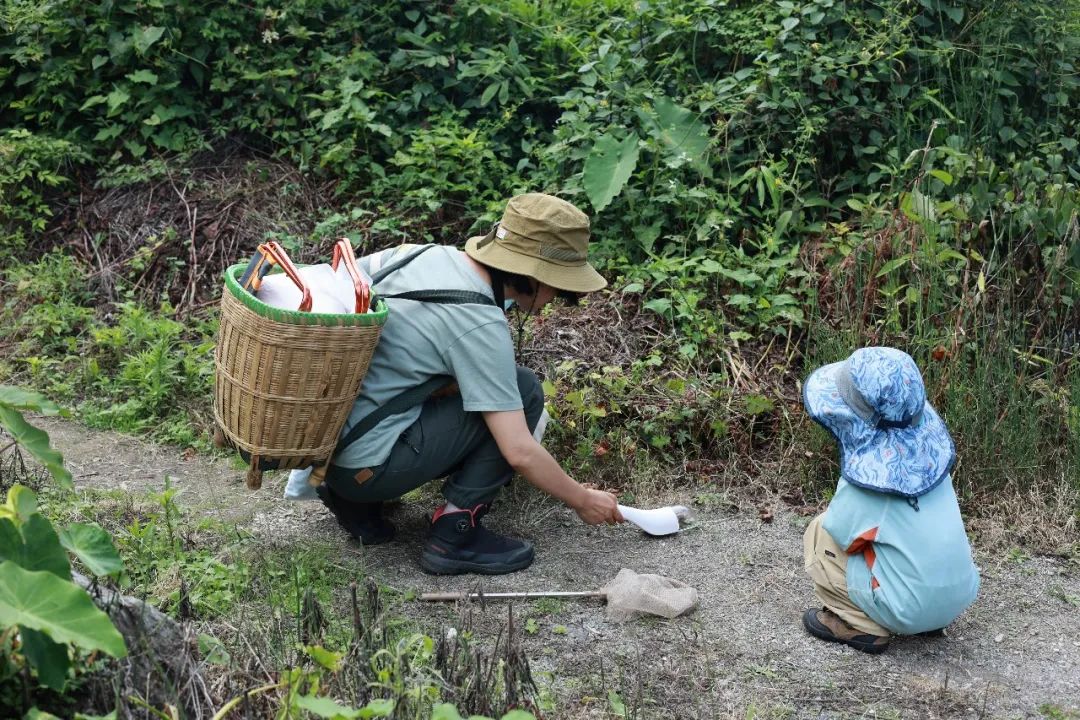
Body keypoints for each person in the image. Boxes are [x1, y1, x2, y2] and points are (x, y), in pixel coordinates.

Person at [312, 193, 625, 575]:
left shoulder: (420, 254)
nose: (555, 300)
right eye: (559, 289)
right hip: (370, 468)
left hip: (328, 449)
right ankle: (454, 536)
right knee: (523, 390)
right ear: (536, 275)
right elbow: (520, 452)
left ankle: (353, 503)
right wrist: (582, 499)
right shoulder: (478, 321)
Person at [800, 347, 980, 653]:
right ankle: (931, 617)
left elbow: (842, 535)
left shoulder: (870, 485)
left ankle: (860, 624)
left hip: (908, 609)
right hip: (959, 596)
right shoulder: (934, 463)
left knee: (821, 533)